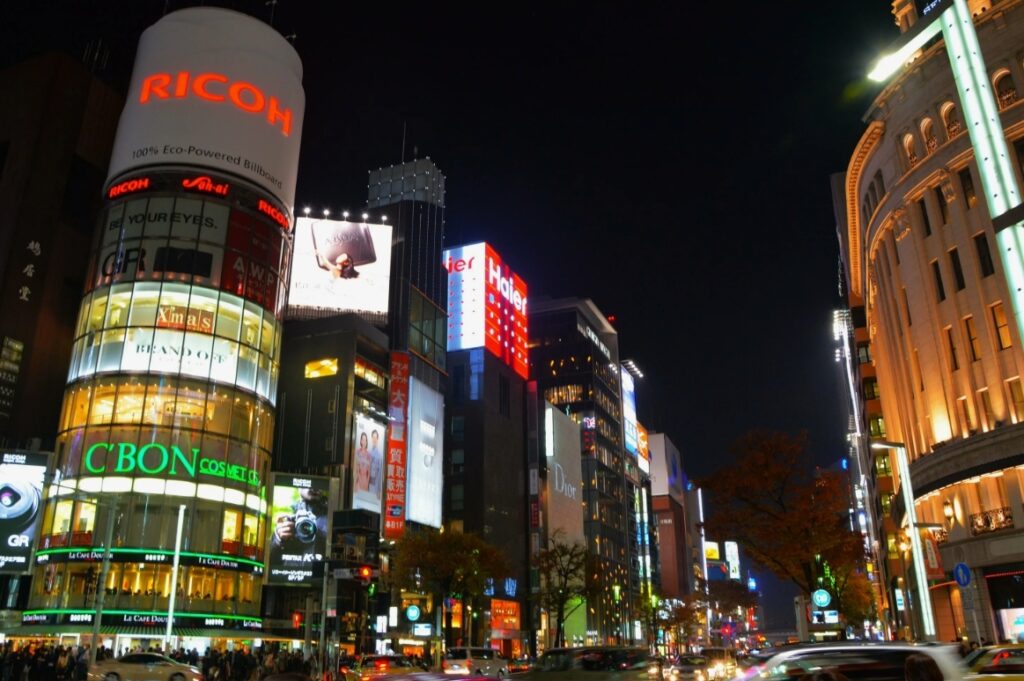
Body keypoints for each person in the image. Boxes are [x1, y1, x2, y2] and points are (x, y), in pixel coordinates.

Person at [269, 486, 328, 563]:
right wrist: (277, 540)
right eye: (305, 484)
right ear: (298, 487)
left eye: (317, 484)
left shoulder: (331, 516)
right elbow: (269, 562)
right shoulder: (288, 516)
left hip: (319, 572)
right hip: (287, 572)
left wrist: (319, 533)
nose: (313, 488)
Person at [368, 430, 383, 497]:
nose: (374, 439)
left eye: (375, 438)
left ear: (377, 439)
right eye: (373, 437)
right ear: (371, 438)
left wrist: (379, 490)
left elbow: (379, 474)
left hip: (375, 486)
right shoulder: (368, 453)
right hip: (366, 484)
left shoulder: (379, 456)